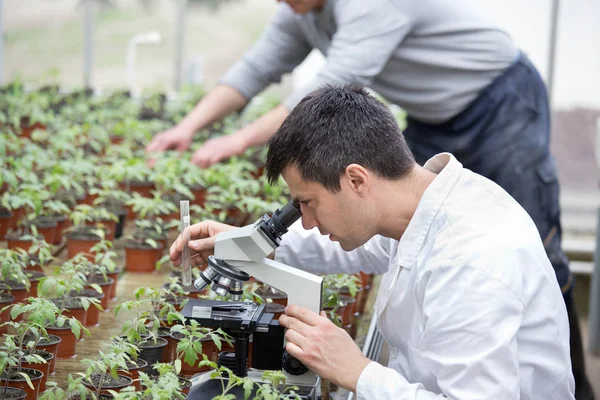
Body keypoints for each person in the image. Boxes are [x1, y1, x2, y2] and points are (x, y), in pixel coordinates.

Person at [152, 1, 593, 397]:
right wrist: (245, 241)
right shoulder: (416, 205)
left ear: (357, 179)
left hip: (502, 102)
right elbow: (344, 243)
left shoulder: (472, 263)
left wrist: (356, 370)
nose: (304, 220)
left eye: (306, 203)